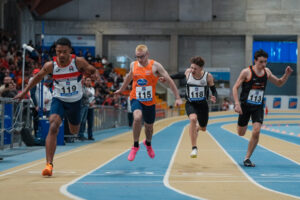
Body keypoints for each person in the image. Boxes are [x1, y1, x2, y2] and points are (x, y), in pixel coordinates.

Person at [14, 37, 99, 176]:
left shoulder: (78, 62)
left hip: (75, 102)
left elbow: (92, 70)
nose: (61, 55)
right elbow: (38, 77)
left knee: (74, 130)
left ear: (70, 51)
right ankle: (49, 165)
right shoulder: (50, 65)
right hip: (58, 99)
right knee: (53, 125)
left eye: (64, 52)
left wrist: (95, 75)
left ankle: (71, 128)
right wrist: (24, 91)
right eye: (58, 51)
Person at [115, 44, 182, 161]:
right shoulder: (133, 65)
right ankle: (135, 145)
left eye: (141, 57)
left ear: (147, 54)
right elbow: (129, 77)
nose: (139, 59)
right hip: (136, 97)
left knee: (149, 127)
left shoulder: (155, 66)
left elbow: (170, 81)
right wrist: (121, 89)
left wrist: (177, 97)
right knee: (137, 117)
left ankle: (148, 143)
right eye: (137, 57)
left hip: (150, 101)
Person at [232, 49, 293, 167]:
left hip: (258, 106)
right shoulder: (246, 72)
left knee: (257, 130)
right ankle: (242, 126)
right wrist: (237, 103)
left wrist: (287, 74)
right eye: (261, 62)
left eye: (265, 62)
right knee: (241, 133)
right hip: (245, 106)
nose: (263, 65)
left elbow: (279, 83)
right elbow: (235, 87)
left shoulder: (267, 72)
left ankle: (247, 158)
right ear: (255, 60)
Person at [184, 56, 217, 158]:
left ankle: (197, 128)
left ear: (201, 68)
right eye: (192, 67)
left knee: (203, 128)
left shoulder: (208, 76)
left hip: (202, 105)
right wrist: (166, 78)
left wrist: (214, 96)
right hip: (190, 103)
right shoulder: (188, 73)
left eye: (195, 68)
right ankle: (194, 148)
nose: (192, 70)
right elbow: (178, 76)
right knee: (193, 119)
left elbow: (214, 89)